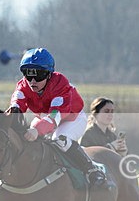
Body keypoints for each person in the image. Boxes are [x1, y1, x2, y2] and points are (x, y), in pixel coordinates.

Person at [9, 48, 109, 189]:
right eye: (28, 74)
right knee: (28, 140)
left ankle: (92, 170)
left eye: (39, 75)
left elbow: (54, 117)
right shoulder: (22, 85)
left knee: (59, 139)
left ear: (49, 74)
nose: (32, 81)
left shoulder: (61, 84)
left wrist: (36, 130)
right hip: (45, 117)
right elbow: (16, 105)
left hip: (72, 118)